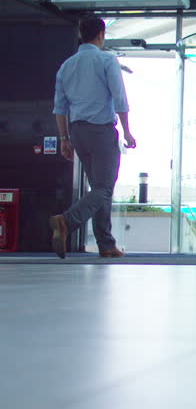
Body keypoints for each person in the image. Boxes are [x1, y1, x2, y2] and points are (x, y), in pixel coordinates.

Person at [48, 15, 136, 258]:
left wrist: (65, 138)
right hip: (100, 130)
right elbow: (119, 98)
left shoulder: (67, 65)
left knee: (98, 187)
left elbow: (59, 107)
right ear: (101, 34)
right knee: (104, 188)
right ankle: (66, 221)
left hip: (77, 132)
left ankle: (106, 244)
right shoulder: (106, 60)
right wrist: (127, 131)